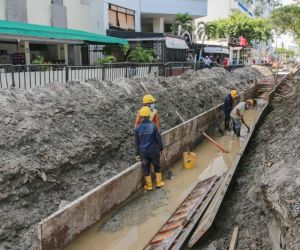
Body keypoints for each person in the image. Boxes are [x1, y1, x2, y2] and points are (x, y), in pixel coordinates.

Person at [134, 106, 164, 191]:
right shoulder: (153, 126)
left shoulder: (137, 128)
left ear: (142, 116)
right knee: (157, 166)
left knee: (146, 167)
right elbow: (158, 138)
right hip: (154, 150)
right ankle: (159, 183)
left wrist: (137, 153)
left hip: (143, 152)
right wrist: (161, 148)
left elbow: (137, 142)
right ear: (148, 115)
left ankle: (149, 186)